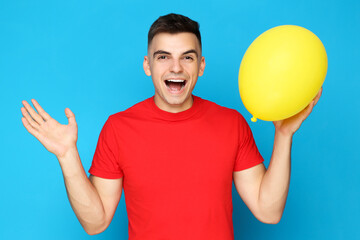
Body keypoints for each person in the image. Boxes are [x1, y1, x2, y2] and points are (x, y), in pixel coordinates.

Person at [21, 13, 322, 240]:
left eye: (186, 58)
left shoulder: (232, 123)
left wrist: (283, 135)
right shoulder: (118, 128)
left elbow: (268, 211)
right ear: (148, 65)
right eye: (163, 57)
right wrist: (66, 155)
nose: (175, 67)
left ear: (200, 66)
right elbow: (95, 223)